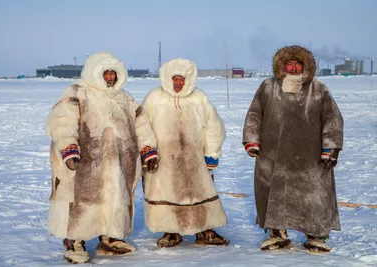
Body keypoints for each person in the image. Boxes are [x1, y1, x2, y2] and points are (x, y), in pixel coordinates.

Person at [46, 52, 159, 263]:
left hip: (119, 161)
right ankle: (74, 241)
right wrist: (68, 146)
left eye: (113, 74)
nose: (109, 78)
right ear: (95, 73)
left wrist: (148, 149)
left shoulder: (124, 98)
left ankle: (108, 238)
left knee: (114, 197)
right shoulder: (78, 92)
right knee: (81, 200)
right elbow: (62, 120)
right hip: (84, 160)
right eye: (105, 73)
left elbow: (141, 124)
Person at [242, 45, 344, 253]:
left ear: (306, 66)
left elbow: (332, 119)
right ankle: (277, 235)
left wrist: (330, 147)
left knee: (314, 195)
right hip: (273, 155)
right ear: (282, 66)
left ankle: (315, 235)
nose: (295, 68)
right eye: (290, 64)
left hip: (311, 157)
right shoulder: (267, 87)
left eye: (299, 64)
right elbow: (254, 114)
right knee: (274, 194)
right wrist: (251, 140)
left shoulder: (318, 89)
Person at [142, 58, 230, 248]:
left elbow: (214, 126)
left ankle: (206, 230)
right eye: (175, 79)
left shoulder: (199, 98)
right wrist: (148, 150)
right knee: (168, 192)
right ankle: (171, 231)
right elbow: (142, 126)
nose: (178, 83)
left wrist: (212, 153)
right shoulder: (154, 98)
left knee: (200, 192)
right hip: (165, 159)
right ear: (167, 78)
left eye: (182, 79)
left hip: (195, 158)